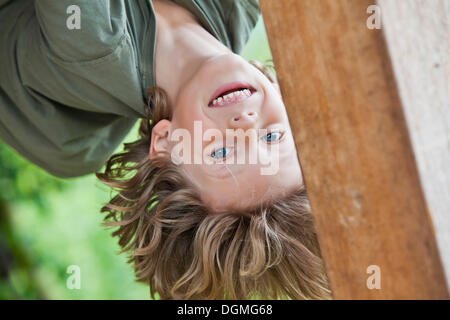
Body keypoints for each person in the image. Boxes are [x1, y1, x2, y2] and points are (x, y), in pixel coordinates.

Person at [0, 0, 330, 299]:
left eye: (221, 154)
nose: (245, 126)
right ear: (287, 99)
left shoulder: (93, 37)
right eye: (272, 139)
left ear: (166, 145)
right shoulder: (241, 7)